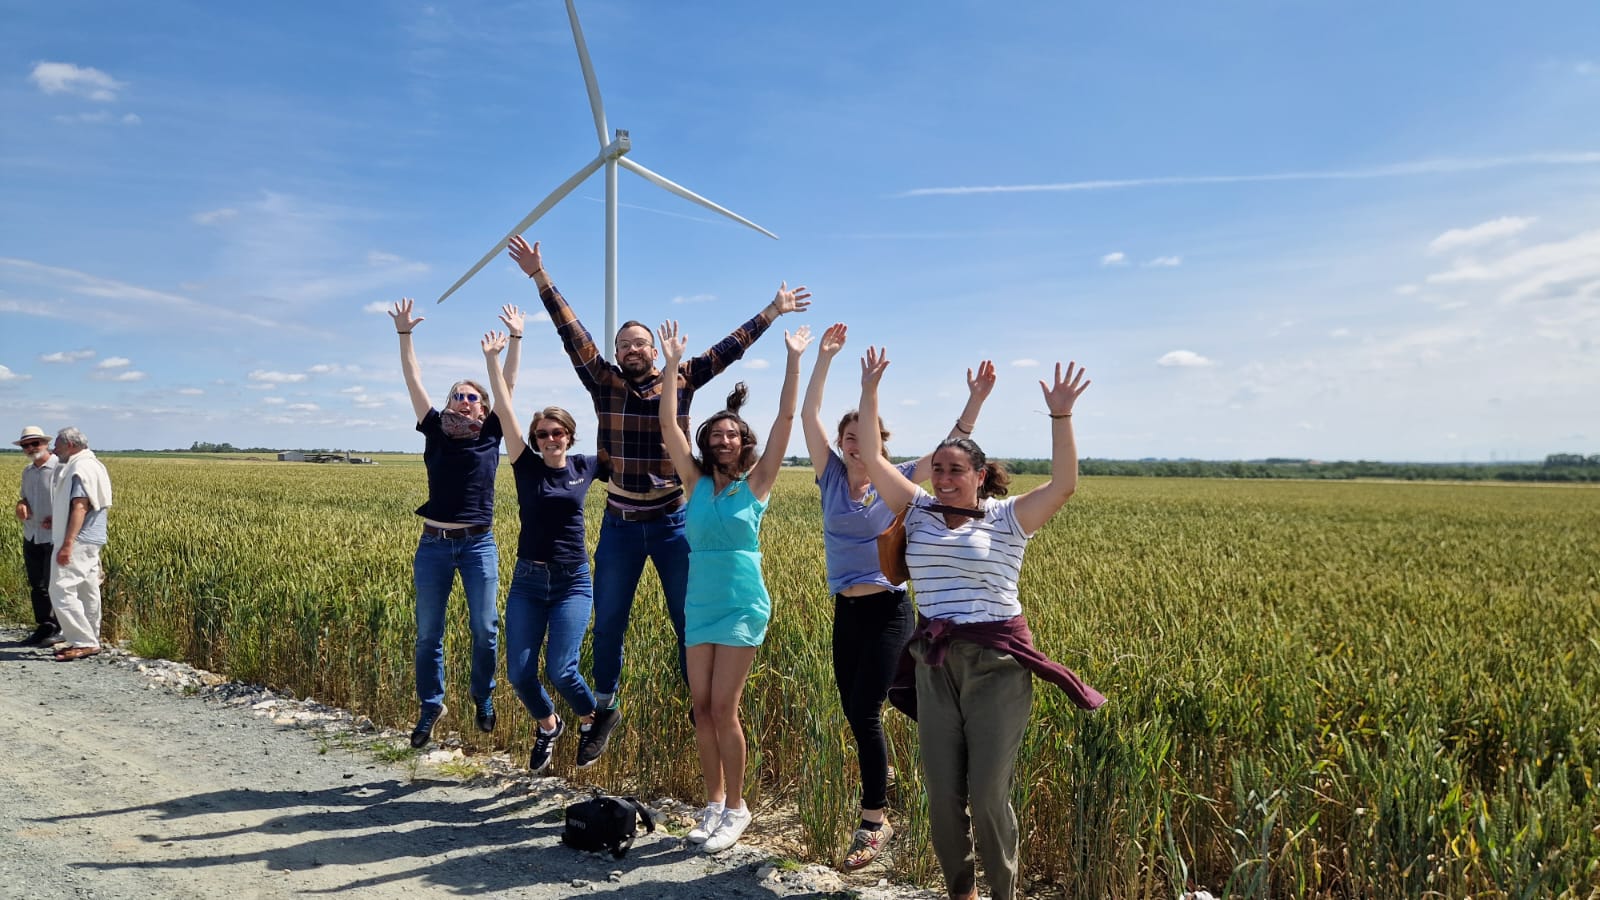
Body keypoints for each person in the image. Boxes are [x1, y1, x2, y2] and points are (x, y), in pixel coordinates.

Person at [506, 234, 809, 767]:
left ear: (654, 348)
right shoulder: (604, 383)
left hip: (673, 520)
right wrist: (540, 276)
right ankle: (604, 708)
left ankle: (709, 712)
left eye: (639, 343)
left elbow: (729, 347)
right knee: (610, 622)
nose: (630, 350)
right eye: (623, 344)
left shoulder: (682, 377)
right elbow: (569, 331)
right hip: (621, 520)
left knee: (687, 618)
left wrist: (773, 310)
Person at [856, 348, 1106, 900]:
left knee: (988, 793)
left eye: (956, 470)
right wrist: (870, 388)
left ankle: (1002, 893)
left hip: (997, 665)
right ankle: (961, 893)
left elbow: (1064, 485)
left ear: (980, 475)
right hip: (933, 662)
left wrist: (1061, 417)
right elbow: (872, 457)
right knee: (943, 794)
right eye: (938, 469)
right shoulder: (916, 508)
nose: (943, 479)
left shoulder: (1009, 517)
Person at [799, 323, 996, 870]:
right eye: (847, 436)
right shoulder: (831, 478)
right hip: (847, 610)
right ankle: (891, 762)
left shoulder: (903, 478)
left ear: (879, 440)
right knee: (858, 709)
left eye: (864, 433)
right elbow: (808, 417)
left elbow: (949, 449)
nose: (853, 442)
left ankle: (872, 824)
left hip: (889, 609)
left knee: (865, 709)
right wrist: (822, 359)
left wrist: (974, 400)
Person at [656, 318, 811, 852]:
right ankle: (713, 803)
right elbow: (668, 428)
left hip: (743, 604)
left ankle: (739, 807)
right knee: (700, 706)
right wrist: (672, 363)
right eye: (715, 434)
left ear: (743, 441)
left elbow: (787, 417)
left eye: (732, 434)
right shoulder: (694, 482)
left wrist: (793, 359)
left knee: (725, 708)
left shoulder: (758, 483)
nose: (724, 440)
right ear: (707, 442)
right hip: (699, 601)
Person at [390, 298, 524, 749]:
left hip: (477, 545)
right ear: (448, 403)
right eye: (458, 396)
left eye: (472, 398)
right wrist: (405, 334)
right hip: (433, 544)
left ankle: (482, 696)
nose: (465, 402)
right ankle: (431, 703)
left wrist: (510, 345)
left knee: (486, 628)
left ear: (484, 408)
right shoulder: (433, 427)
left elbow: (507, 386)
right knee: (429, 632)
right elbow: (413, 379)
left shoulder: (490, 433)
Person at [480, 330, 610, 772]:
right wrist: (494, 358)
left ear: (570, 436)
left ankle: (594, 717)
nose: (549, 439)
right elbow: (504, 407)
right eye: (542, 434)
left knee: (562, 670)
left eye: (557, 433)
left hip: (573, 580)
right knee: (518, 673)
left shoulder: (586, 466)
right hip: (529, 581)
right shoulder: (524, 465)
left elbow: (636, 455)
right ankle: (549, 724)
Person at [47, 427, 113, 662]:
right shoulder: (94, 464)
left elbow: (80, 506)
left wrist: (67, 543)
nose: (54, 449)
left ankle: (83, 642)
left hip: (79, 538)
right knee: (87, 589)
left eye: (58, 445)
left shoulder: (79, 468)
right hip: (93, 537)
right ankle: (91, 637)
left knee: (61, 588)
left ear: (71, 445)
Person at [14, 425, 60, 647]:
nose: (31, 448)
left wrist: (58, 518)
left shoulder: (60, 469)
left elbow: (76, 503)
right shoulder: (28, 471)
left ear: (46, 444)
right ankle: (45, 626)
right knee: (37, 584)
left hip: (54, 536)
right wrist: (20, 505)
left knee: (56, 584)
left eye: (35, 443)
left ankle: (61, 628)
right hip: (31, 533)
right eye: (26, 445)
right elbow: (23, 497)